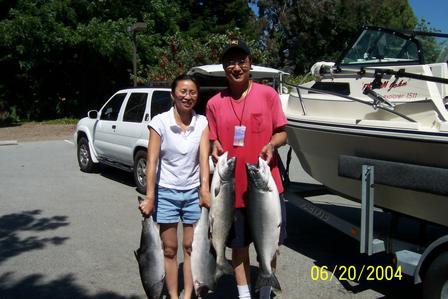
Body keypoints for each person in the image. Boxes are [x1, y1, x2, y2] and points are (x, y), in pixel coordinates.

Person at [206, 40, 288, 299]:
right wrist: (213, 144)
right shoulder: (214, 103)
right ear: (224, 67)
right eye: (230, 62)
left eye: (241, 61)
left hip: (266, 187)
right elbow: (213, 139)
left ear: (250, 63)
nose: (236, 67)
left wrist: (271, 145)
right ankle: (244, 295)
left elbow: (282, 133)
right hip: (231, 189)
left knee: (269, 245)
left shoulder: (268, 95)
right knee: (239, 248)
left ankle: (264, 294)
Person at [139, 74, 210, 299]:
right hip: (166, 192)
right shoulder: (159, 122)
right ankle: (173, 295)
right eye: (183, 92)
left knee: (190, 247)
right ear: (173, 94)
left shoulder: (202, 123)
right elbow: (152, 162)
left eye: (192, 93)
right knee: (169, 248)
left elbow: (203, 159)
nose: (187, 97)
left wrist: (205, 190)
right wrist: (150, 196)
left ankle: (188, 294)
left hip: (192, 192)